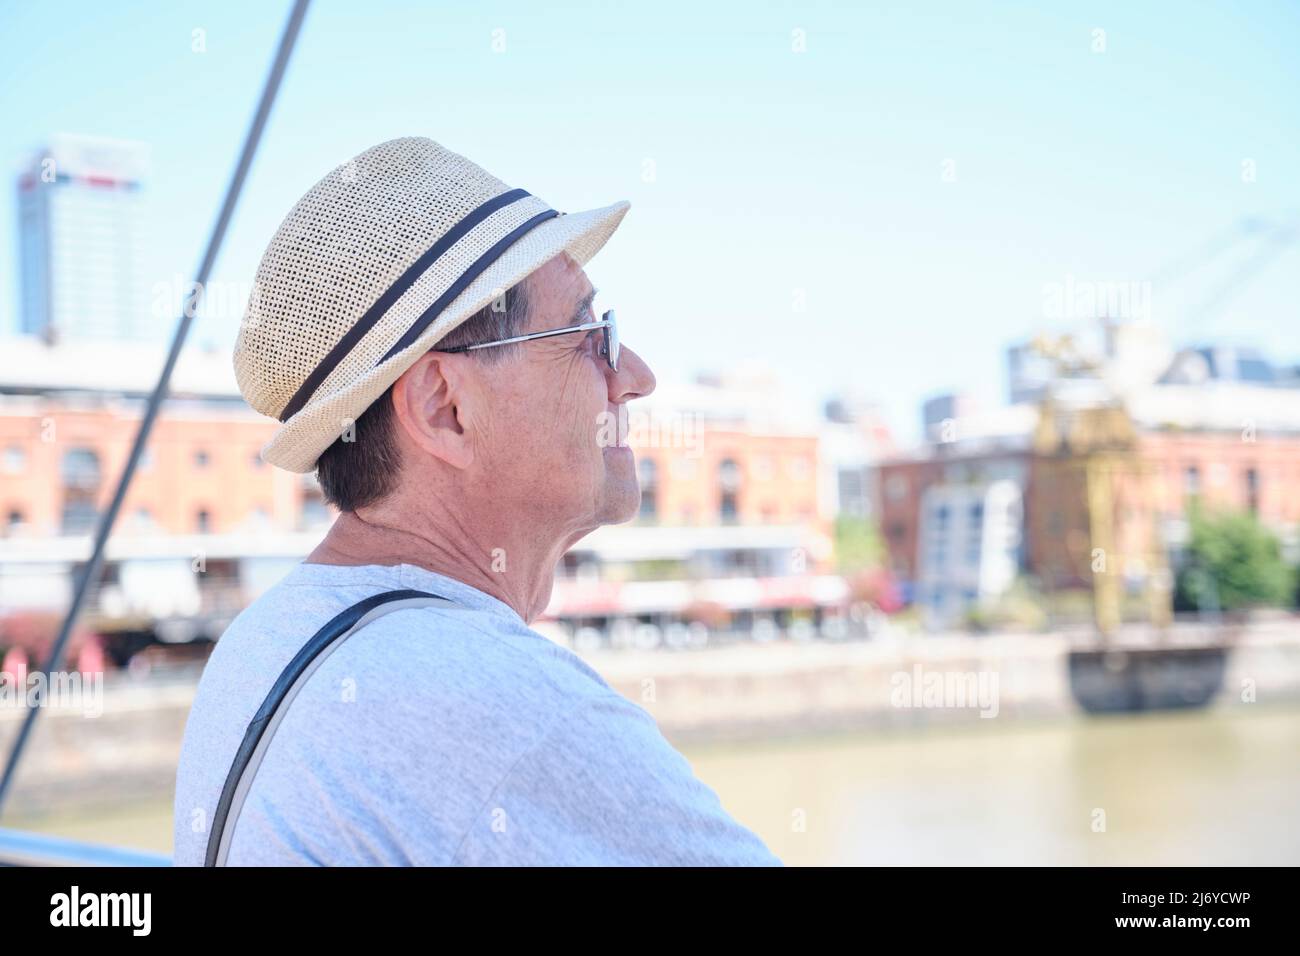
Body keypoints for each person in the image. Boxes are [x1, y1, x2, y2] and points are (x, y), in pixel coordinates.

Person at [172, 137, 782, 866]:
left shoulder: (263, 640)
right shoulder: (502, 704)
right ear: (444, 409)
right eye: (591, 333)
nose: (637, 376)